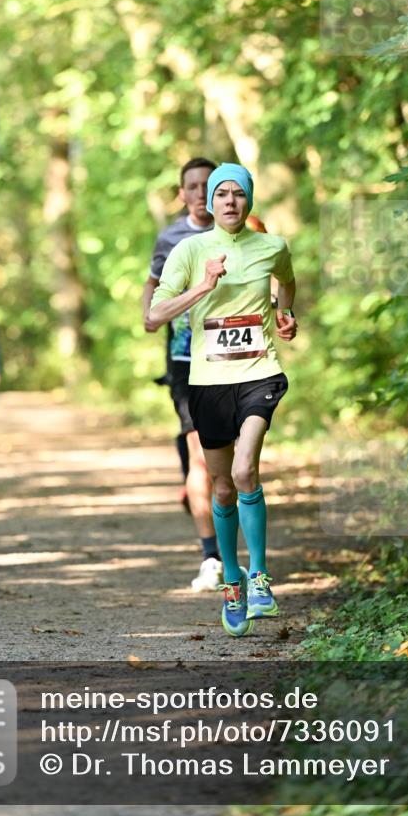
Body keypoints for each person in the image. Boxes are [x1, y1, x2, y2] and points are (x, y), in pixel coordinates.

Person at [149, 163, 297, 637]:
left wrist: (285, 312)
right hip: (208, 381)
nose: (230, 201)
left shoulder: (271, 246)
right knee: (222, 488)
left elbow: (287, 282)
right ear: (209, 202)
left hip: (260, 373)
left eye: (238, 193)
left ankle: (259, 578)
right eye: (222, 194)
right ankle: (230, 578)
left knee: (244, 469)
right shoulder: (189, 250)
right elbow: (155, 314)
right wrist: (203, 287)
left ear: (248, 200)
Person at [143, 157, 223, 592]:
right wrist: (148, 316)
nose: (200, 192)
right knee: (199, 456)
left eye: (209, 185)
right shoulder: (170, 236)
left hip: (234, 360)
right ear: (182, 193)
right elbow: (153, 283)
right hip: (186, 359)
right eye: (192, 186)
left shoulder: (242, 231)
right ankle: (211, 556)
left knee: (227, 461)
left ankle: (231, 545)